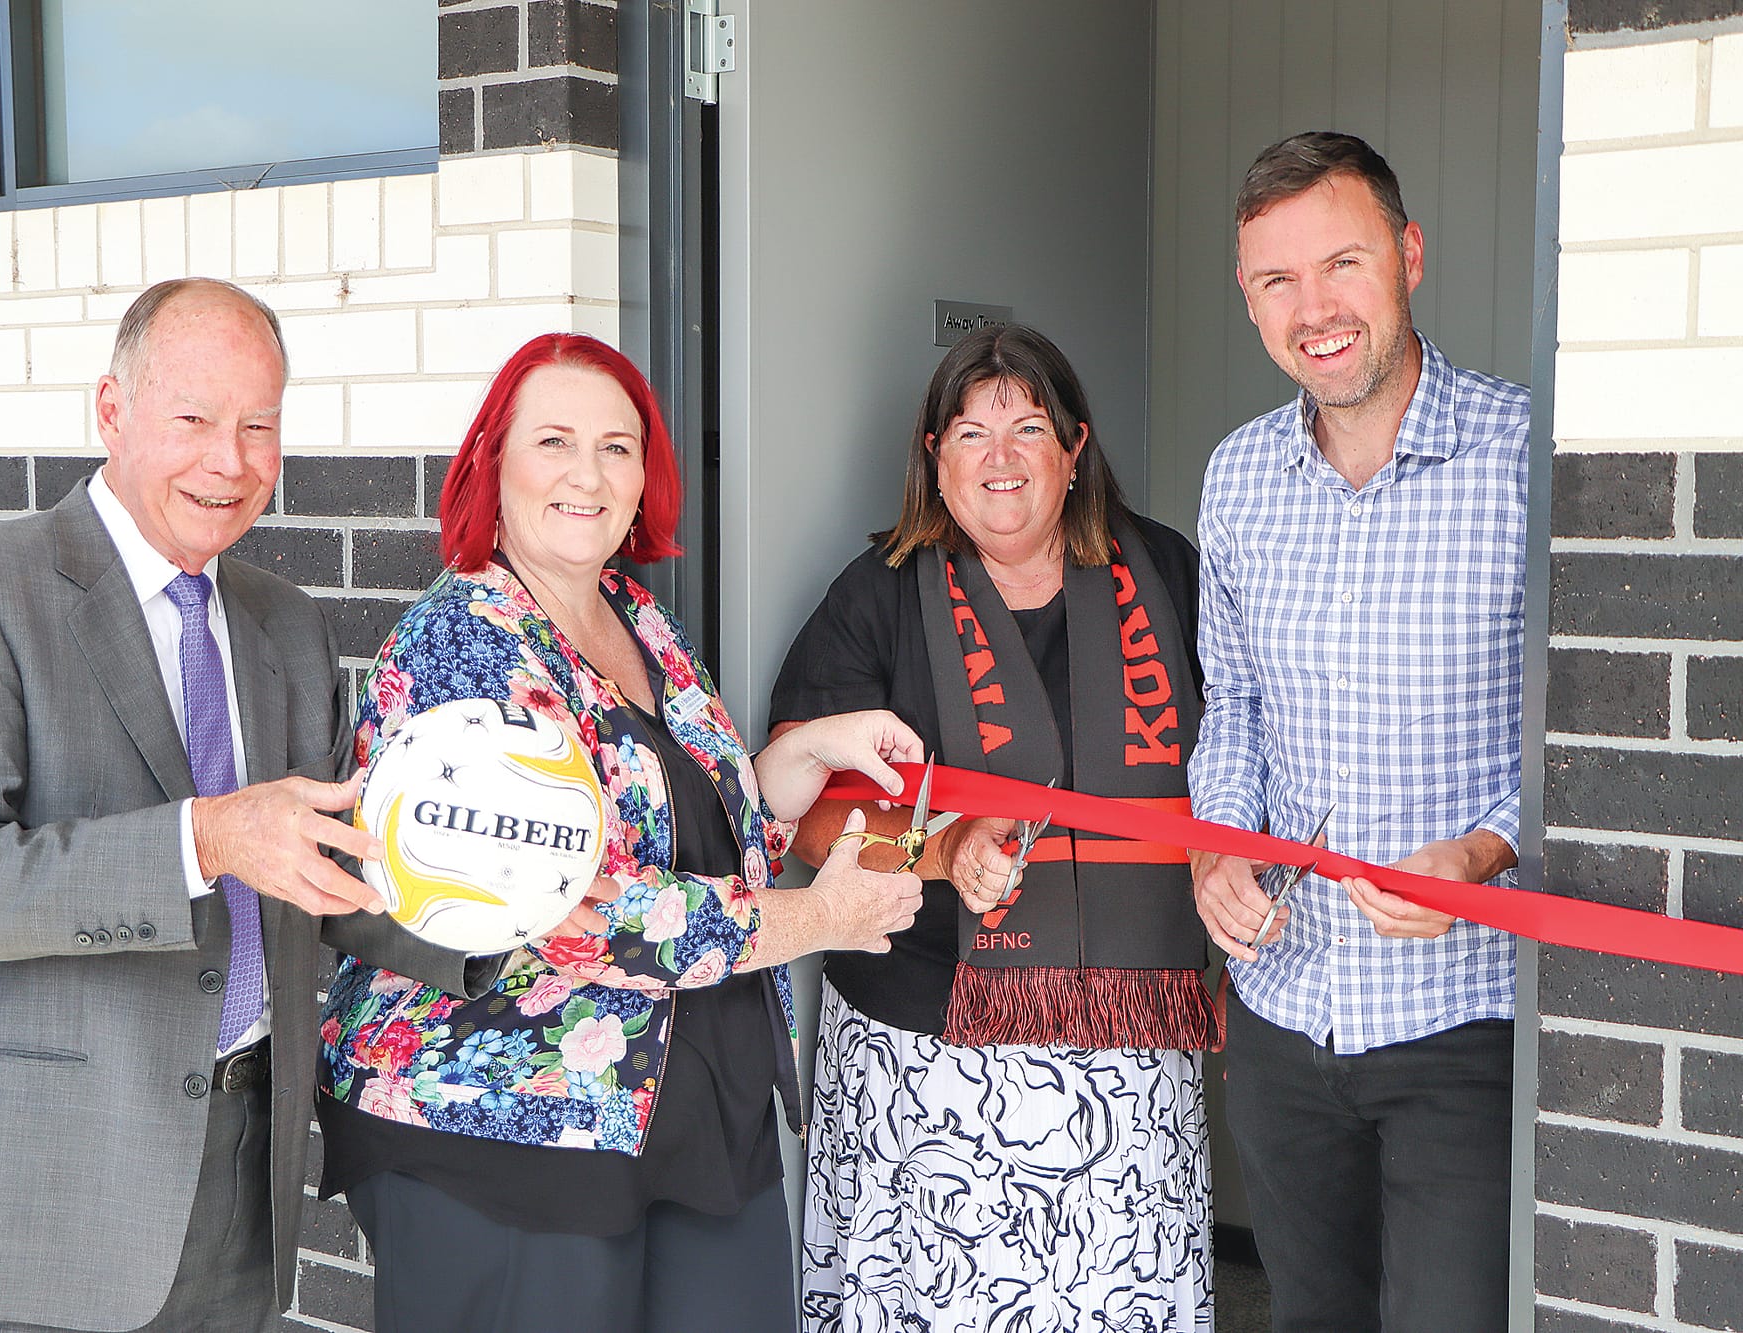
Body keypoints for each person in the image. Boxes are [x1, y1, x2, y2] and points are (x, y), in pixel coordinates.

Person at [0, 278, 505, 1333]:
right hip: (60, 1179)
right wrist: (204, 836)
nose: (231, 460)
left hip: (245, 1165)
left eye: (260, 425)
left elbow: (325, 867)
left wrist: (494, 923)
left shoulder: (286, 622)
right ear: (111, 411)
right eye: (195, 419)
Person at [314, 332, 926, 1333]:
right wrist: (816, 917)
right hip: (509, 1133)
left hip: (688, 1115)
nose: (586, 475)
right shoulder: (461, 641)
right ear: (491, 464)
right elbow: (578, 911)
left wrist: (793, 764)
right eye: (553, 441)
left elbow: (680, 832)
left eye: (616, 446)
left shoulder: (638, 619)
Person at [768, 323, 1217, 1333]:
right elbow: (801, 816)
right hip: (926, 1051)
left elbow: (1245, 748)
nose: (999, 457)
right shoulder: (877, 593)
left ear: (1075, 448)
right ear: (934, 456)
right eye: (969, 433)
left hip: (1126, 1051)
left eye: (1026, 427)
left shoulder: (1170, 575)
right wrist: (939, 848)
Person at [1190, 131, 1529, 1332]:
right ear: (1245, 296)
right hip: (1284, 1009)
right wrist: (1217, 845)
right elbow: (1230, 703)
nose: (1313, 308)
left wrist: (1480, 855)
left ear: (1409, 255)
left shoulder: (1522, 461)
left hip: (1458, 1014)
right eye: (1275, 280)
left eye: (1340, 263)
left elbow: (1574, 737)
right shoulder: (1235, 478)